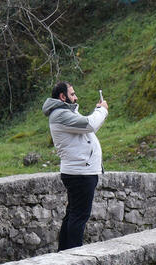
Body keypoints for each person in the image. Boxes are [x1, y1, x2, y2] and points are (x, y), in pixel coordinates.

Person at [42, 81, 108, 251]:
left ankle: (64, 253)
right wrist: (102, 110)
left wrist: (96, 112)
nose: (76, 97)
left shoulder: (63, 113)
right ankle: (72, 254)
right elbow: (90, 125)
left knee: (73, 214)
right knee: (79, 216)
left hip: (80, 171)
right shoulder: (60, 114)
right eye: (72, 94)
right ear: (62, 96)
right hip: (81, 173)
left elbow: (85, 126)